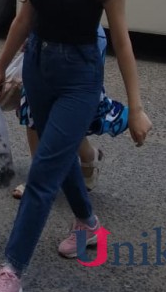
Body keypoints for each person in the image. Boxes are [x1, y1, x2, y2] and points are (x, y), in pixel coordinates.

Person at [0, 0, 152, 292]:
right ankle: (88, 224)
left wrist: (136, 108)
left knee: (42, 173)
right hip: (39, 69)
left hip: (79, 77)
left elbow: (123, 43)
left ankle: (10, 272)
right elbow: (24, 20)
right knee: (55, 156)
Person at [9, 25, 129, 200]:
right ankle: (39, 178)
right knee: (35, 108)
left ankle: (86, 158)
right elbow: (31, 7)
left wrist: (137, 106)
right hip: (45, 39)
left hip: (83, 44)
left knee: (69, 112)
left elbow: (122, 39)